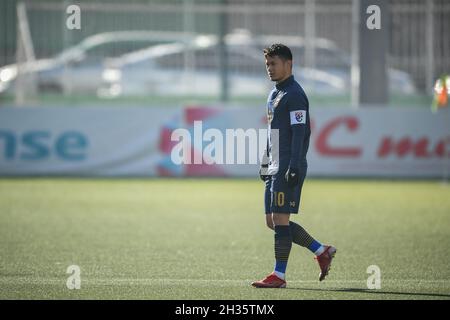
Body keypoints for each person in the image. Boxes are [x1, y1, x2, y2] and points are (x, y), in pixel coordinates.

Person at [252, 44, 336, 288]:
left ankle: (279, 276)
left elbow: (300, 132)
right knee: (273, 221)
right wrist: (266, 160)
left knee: (280, 219)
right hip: (275, 165)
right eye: (267, 64)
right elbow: (273, 133)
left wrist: (295, 164)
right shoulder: (274, 94)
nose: (269, 68)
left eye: (274, 63)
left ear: (289, 64)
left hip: (288, 165)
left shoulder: (295, 94)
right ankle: (322, 251)